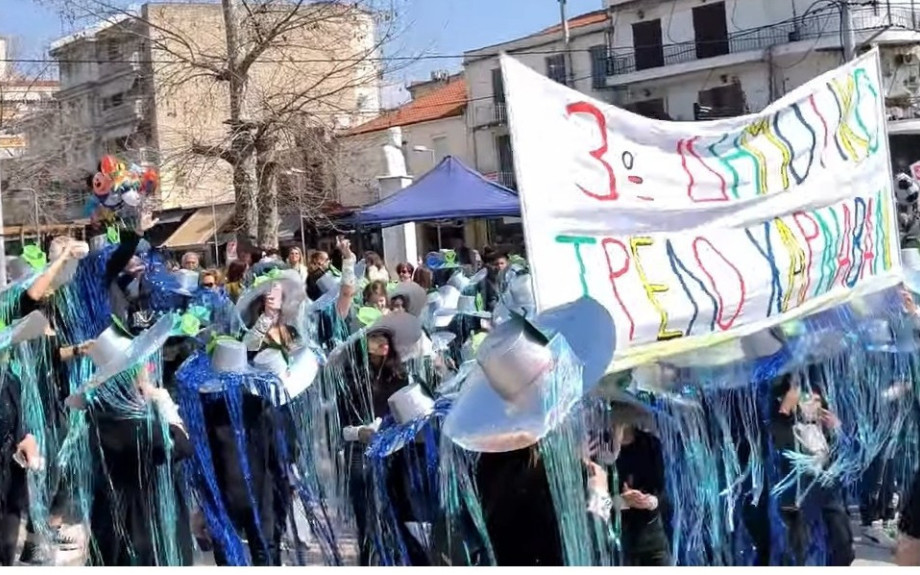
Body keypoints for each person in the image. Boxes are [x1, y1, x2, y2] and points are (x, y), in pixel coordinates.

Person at [769, 372, 854, 566]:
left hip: (827, 495)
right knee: (800, 552)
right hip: (797, 501)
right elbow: (779, 448)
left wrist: (836, 428)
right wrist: (784, 413)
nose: (814, 403)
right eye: (808, 398)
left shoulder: (823, 428)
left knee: (842, 546)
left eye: (817, 399)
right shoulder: (782, 427)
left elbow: (845, 455)